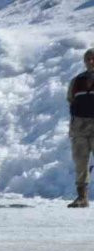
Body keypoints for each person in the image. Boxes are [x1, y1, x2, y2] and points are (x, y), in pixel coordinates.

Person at [67, 48, 94, 208]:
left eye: (93, 58)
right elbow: (70, 99)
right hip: (80, 126)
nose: (90, 61)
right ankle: (82, 197)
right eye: (88, 59)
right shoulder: (76, 81)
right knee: (80, 161)